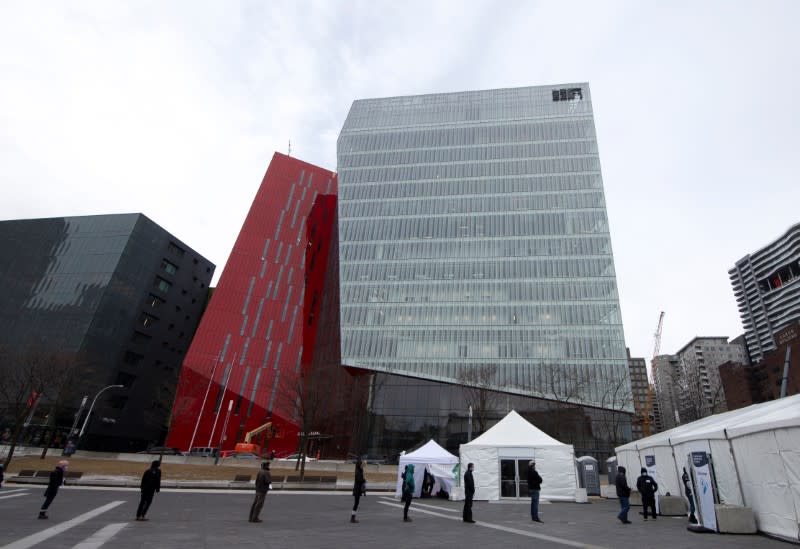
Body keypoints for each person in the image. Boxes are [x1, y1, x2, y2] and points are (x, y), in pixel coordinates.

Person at [350, 458, 366, 523]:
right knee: (356, 503)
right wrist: (363, 480)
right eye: (361, 464)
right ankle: (352, 518)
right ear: (359, 464)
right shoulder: (358, 471)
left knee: (356, 503)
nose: (362, 465)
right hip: (357, 489)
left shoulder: (359, 470)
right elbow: (359, 479)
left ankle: (353, 517)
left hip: (358, 488)